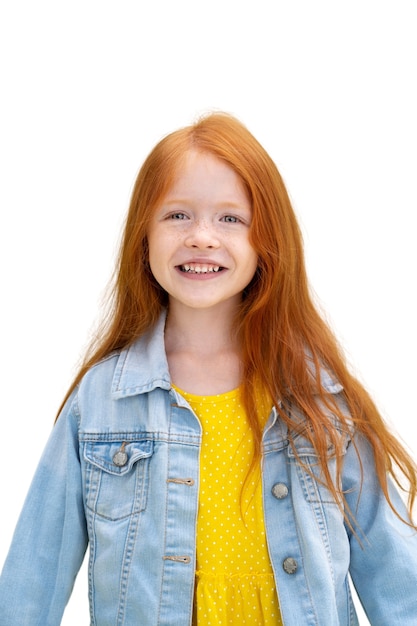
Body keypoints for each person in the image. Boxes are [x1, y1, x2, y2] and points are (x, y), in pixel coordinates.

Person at [0, 112, 416, 626]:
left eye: (230, 218)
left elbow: (398, 581)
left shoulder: (320, 395)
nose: (201, 237)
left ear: (267, 241)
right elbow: (32, 580)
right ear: (143, 236)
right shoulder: (103, 399)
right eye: (177, 215)